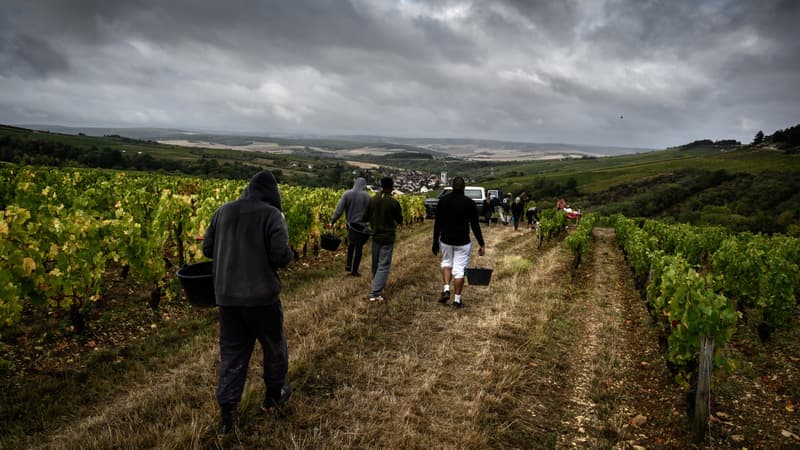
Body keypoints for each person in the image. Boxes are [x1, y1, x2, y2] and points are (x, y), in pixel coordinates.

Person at [202, 170, 294, 435]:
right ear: (272, 194)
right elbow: (280, 257)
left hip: (228, 299)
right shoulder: (272, 215)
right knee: (274, 348)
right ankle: (274, 396)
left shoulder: (223, 211)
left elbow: (207, 249)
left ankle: (227, 416)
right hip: (262, 299)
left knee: (232, 354)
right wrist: (289, 252)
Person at [432, 176, 486, 308]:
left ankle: (446, 289)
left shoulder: (443, 201)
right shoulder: (469, 203)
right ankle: (457, 300)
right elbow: (475, 225)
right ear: (464, 187)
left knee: (446, 263)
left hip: (446, 239)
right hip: (462, 241)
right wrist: (481, 243)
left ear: (452, 186)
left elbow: (437, 223)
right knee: (459, 270)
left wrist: (435, 241)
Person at [363, 176, 403, 302]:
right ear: (391, 187)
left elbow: (364, 218)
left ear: (381, 185)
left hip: (375, 236)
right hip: (388, 237)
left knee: (375, 264)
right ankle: (375, 293)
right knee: (384, 265)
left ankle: (377, 286)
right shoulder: (393, 202)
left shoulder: (372, 200)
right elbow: (400, 220)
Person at [329, 177, 371, 276]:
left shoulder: (347, 194)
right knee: (359, 248)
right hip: (361, 227)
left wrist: (333, 221)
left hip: (350, 225)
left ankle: (348, 264)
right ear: (364, 185)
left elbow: (339, 210)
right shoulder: (366, 196)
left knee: (351, 244)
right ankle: (355, 271)